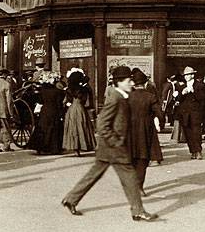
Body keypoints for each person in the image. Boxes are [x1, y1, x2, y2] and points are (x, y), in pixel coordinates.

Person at [61, 66, 158, 222]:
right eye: (128, 80)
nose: (131, 83)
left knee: (93, 175)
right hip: (114, 147)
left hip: (109, 148)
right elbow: (101, 123)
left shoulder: (122, 95)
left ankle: (71, 199)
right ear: (119, 82)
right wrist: (116, 141)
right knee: (130, 178)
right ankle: (138, 211)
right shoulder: (115, 97)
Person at [127, 69, 163, 196]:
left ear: (134, 83)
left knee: (131, 158)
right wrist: (157, 121)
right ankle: (139, 187)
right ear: (144, 83)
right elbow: (159, 114)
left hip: (130, 131)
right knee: (143, 159)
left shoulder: (128, 97)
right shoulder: (150, 97)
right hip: (146, 131)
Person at [27, 72, 65, 155]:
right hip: (54, 110)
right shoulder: (57, 92)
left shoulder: (43, 91)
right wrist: (61, 113)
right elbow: (59, 104)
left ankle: (40, 147)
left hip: (45, 111)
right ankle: (53, 148)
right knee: (54, 129)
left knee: (43, 128)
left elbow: (40, 101)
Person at [174, 66, 205, 159]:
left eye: (188, 75)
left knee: (196, 133)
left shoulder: (199, 85)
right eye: (185, 75)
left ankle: (198, 151)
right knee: (188, 134)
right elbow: (177, 100)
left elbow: (203, 98)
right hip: (185, 114)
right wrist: (182, 94)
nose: (186, 77)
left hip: (195, 114)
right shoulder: (182, 86)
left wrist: (193, 92)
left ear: (192, 75)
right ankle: (192, 151)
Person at [63, 68, 96, 156]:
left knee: (72, 128)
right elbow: (85, 101)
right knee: (82, 126)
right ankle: (83, 145)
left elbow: (67, 101)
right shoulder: (83, 89)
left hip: (71, 110)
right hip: (80, 109)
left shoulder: (68, 89)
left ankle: (74, 147)